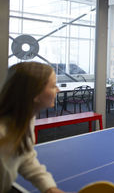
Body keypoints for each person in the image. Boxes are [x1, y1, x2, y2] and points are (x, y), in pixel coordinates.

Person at [0, 62, 65, 193]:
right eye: (53, 86)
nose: (58, 90)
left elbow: (25, 156)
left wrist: (49, 188)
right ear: (35, 94)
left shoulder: (26, 118)